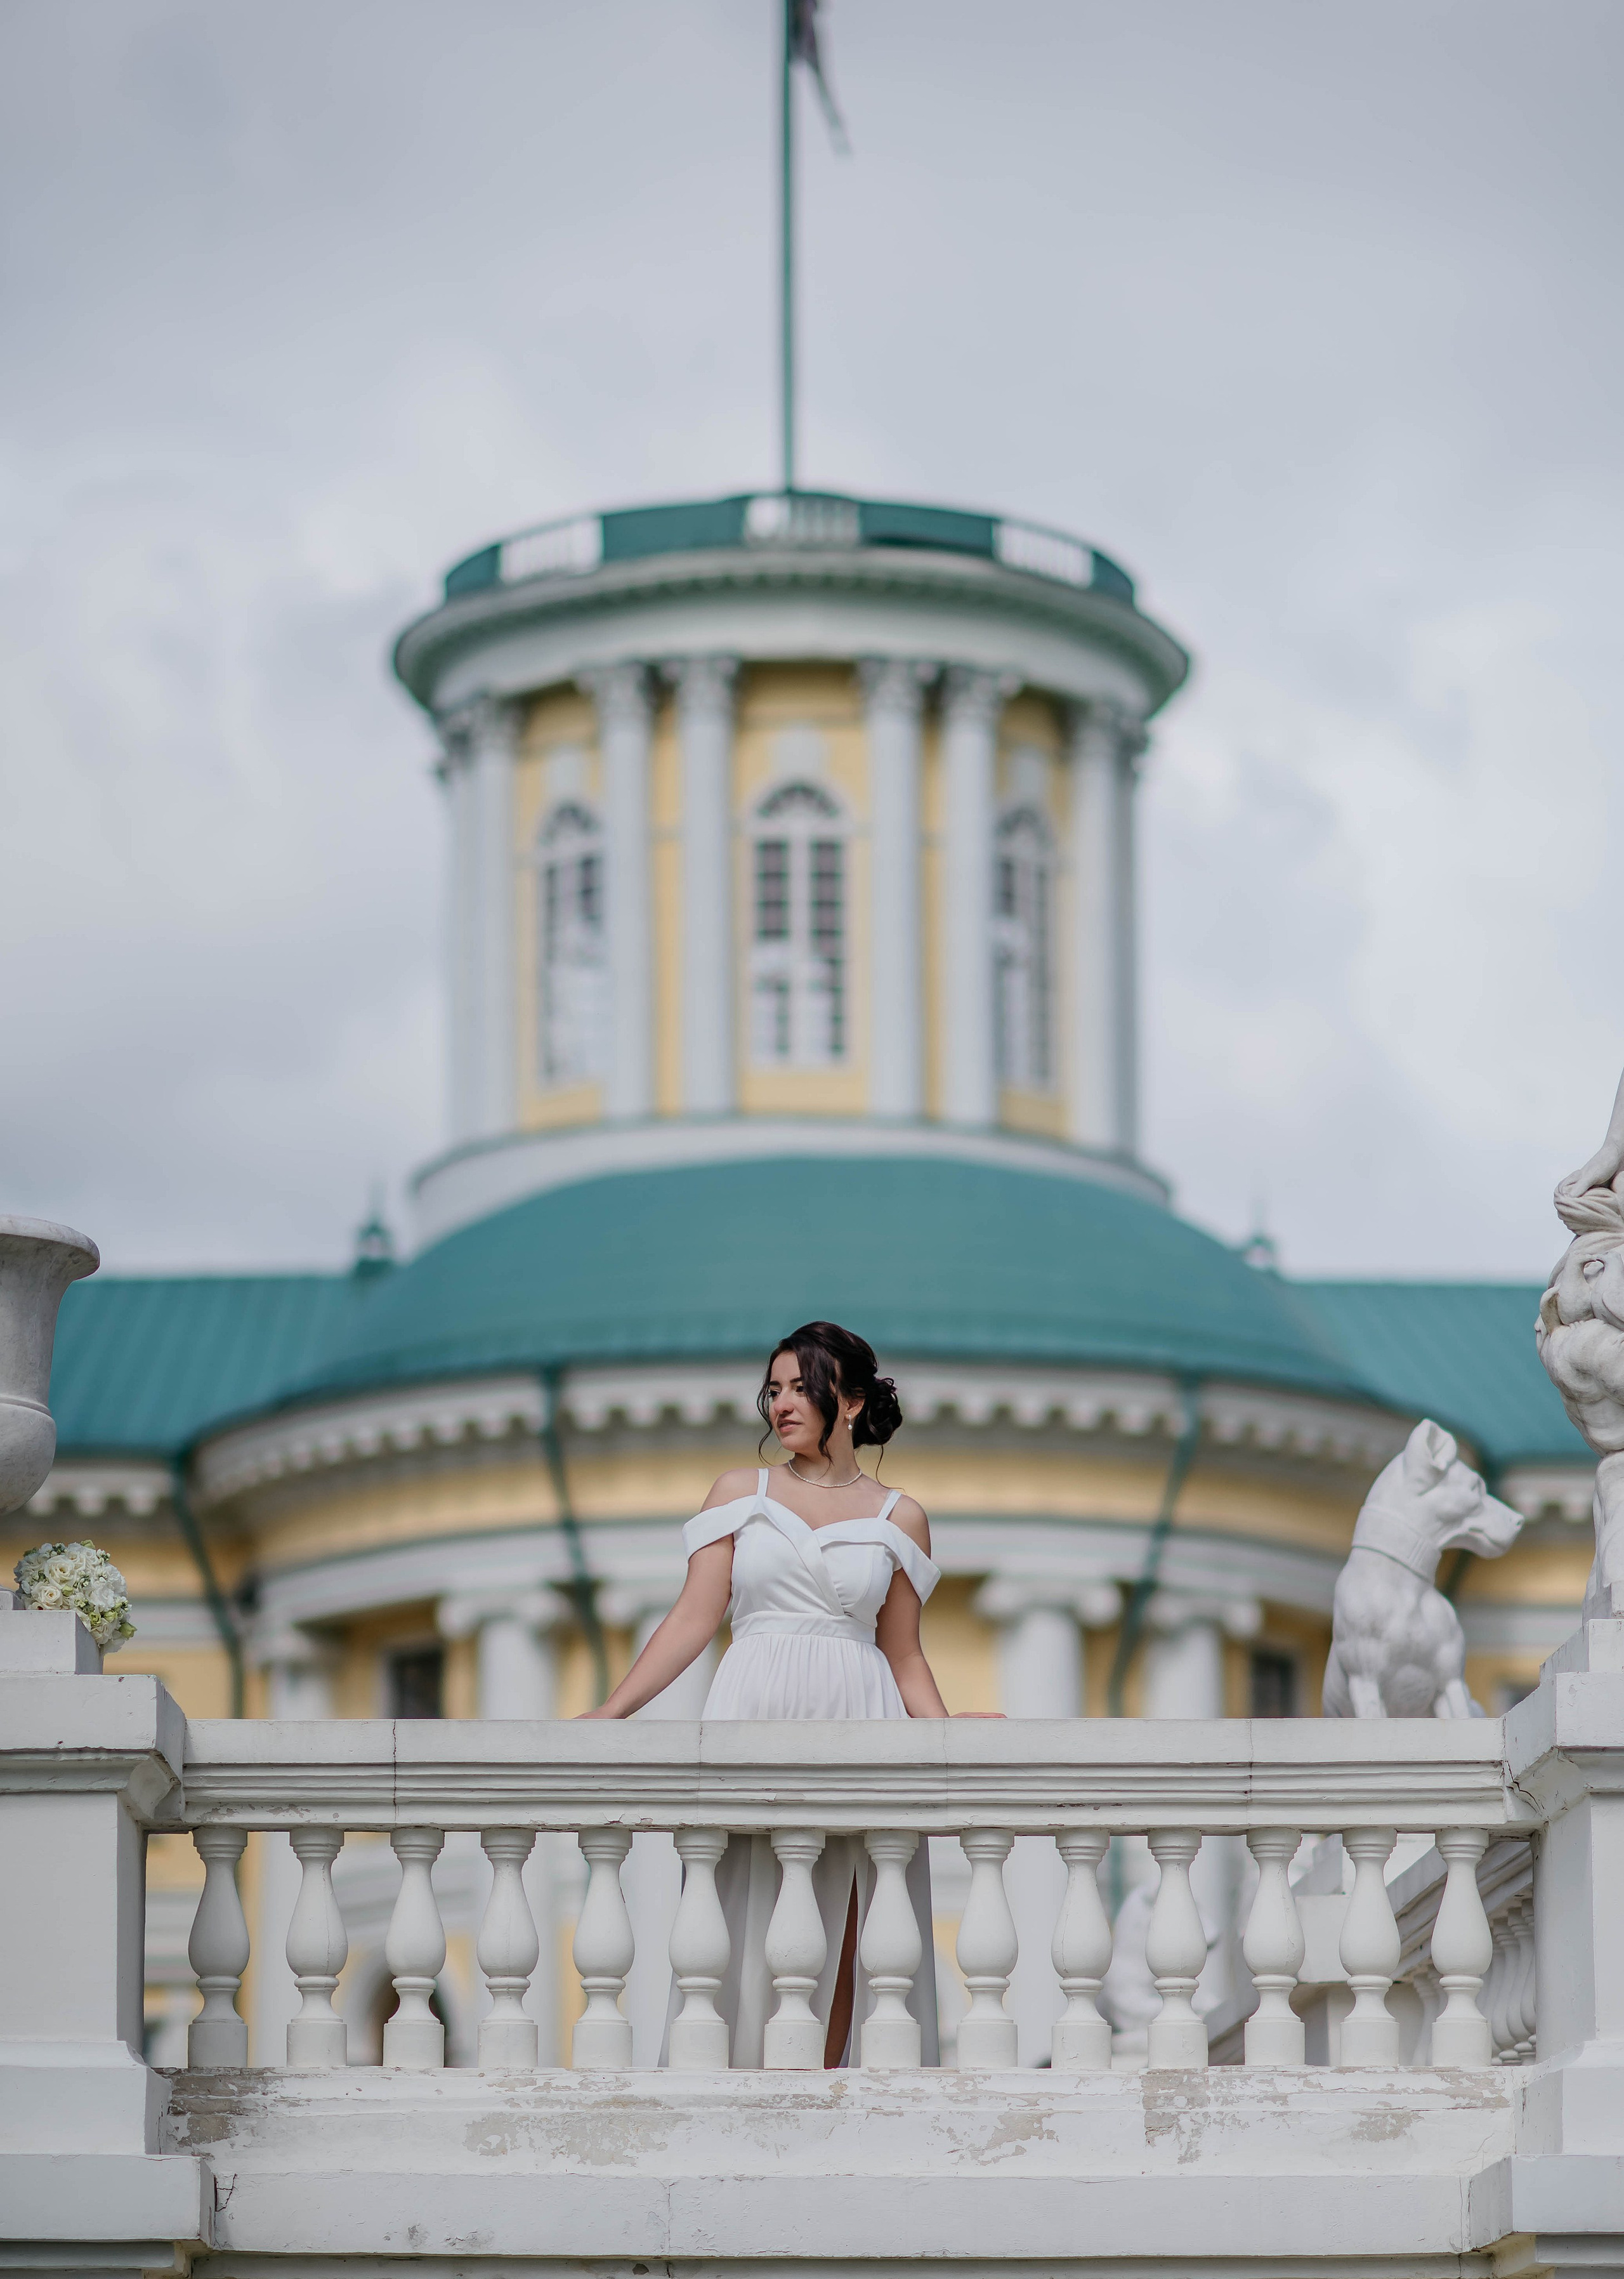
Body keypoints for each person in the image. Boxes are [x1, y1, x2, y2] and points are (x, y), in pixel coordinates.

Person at [580, 1319, 990, 2066]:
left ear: (853, 1401)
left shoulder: (900, 1516)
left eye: (803, 1387)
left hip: (861, 1720)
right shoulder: (740, 1492)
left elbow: (903, 1653)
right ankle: (732, 2093)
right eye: (774, 1389)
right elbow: (694, 1617)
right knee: (742, 1921)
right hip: (752, 1709)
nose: (782, 1403)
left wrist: (946, 1731)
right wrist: (612, 1710)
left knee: (852, 1930)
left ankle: (824, 2094)